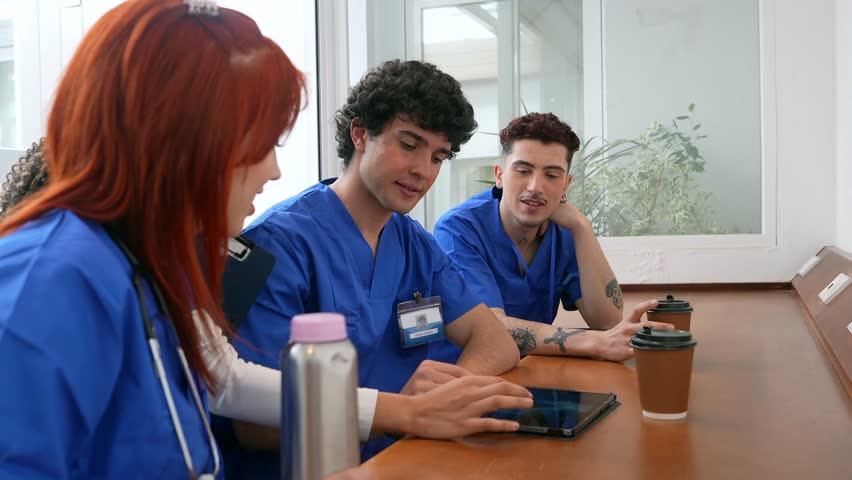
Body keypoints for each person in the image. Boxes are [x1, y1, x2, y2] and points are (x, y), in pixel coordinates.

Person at [0, 79, 533, 480]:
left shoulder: (161, 262)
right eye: (259, 145)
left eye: (438, 156)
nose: (275, 170)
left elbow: (224, 376)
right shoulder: (56, 274)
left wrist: (419, 410)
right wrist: (404, 410)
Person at [224, 59, 521, 469]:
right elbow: (252, 425)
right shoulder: (278, 245)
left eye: (438, 156)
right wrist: (402, 408)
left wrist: (444, 400)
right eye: (409, 144)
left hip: (404, 459)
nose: (422, 171)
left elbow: (496, 342)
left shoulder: (412, 239)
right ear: (360, 134)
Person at [429, 112, 673, 364]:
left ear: (566, 185)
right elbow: (490, 329)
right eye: (523, 171)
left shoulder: (565, 231)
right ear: (500, 175)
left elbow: (607, 320)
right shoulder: (458, 229)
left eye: (552, 175)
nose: (535, 186)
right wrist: (592, 342)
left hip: (530, 370)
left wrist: (582, 227)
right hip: (459, 378)